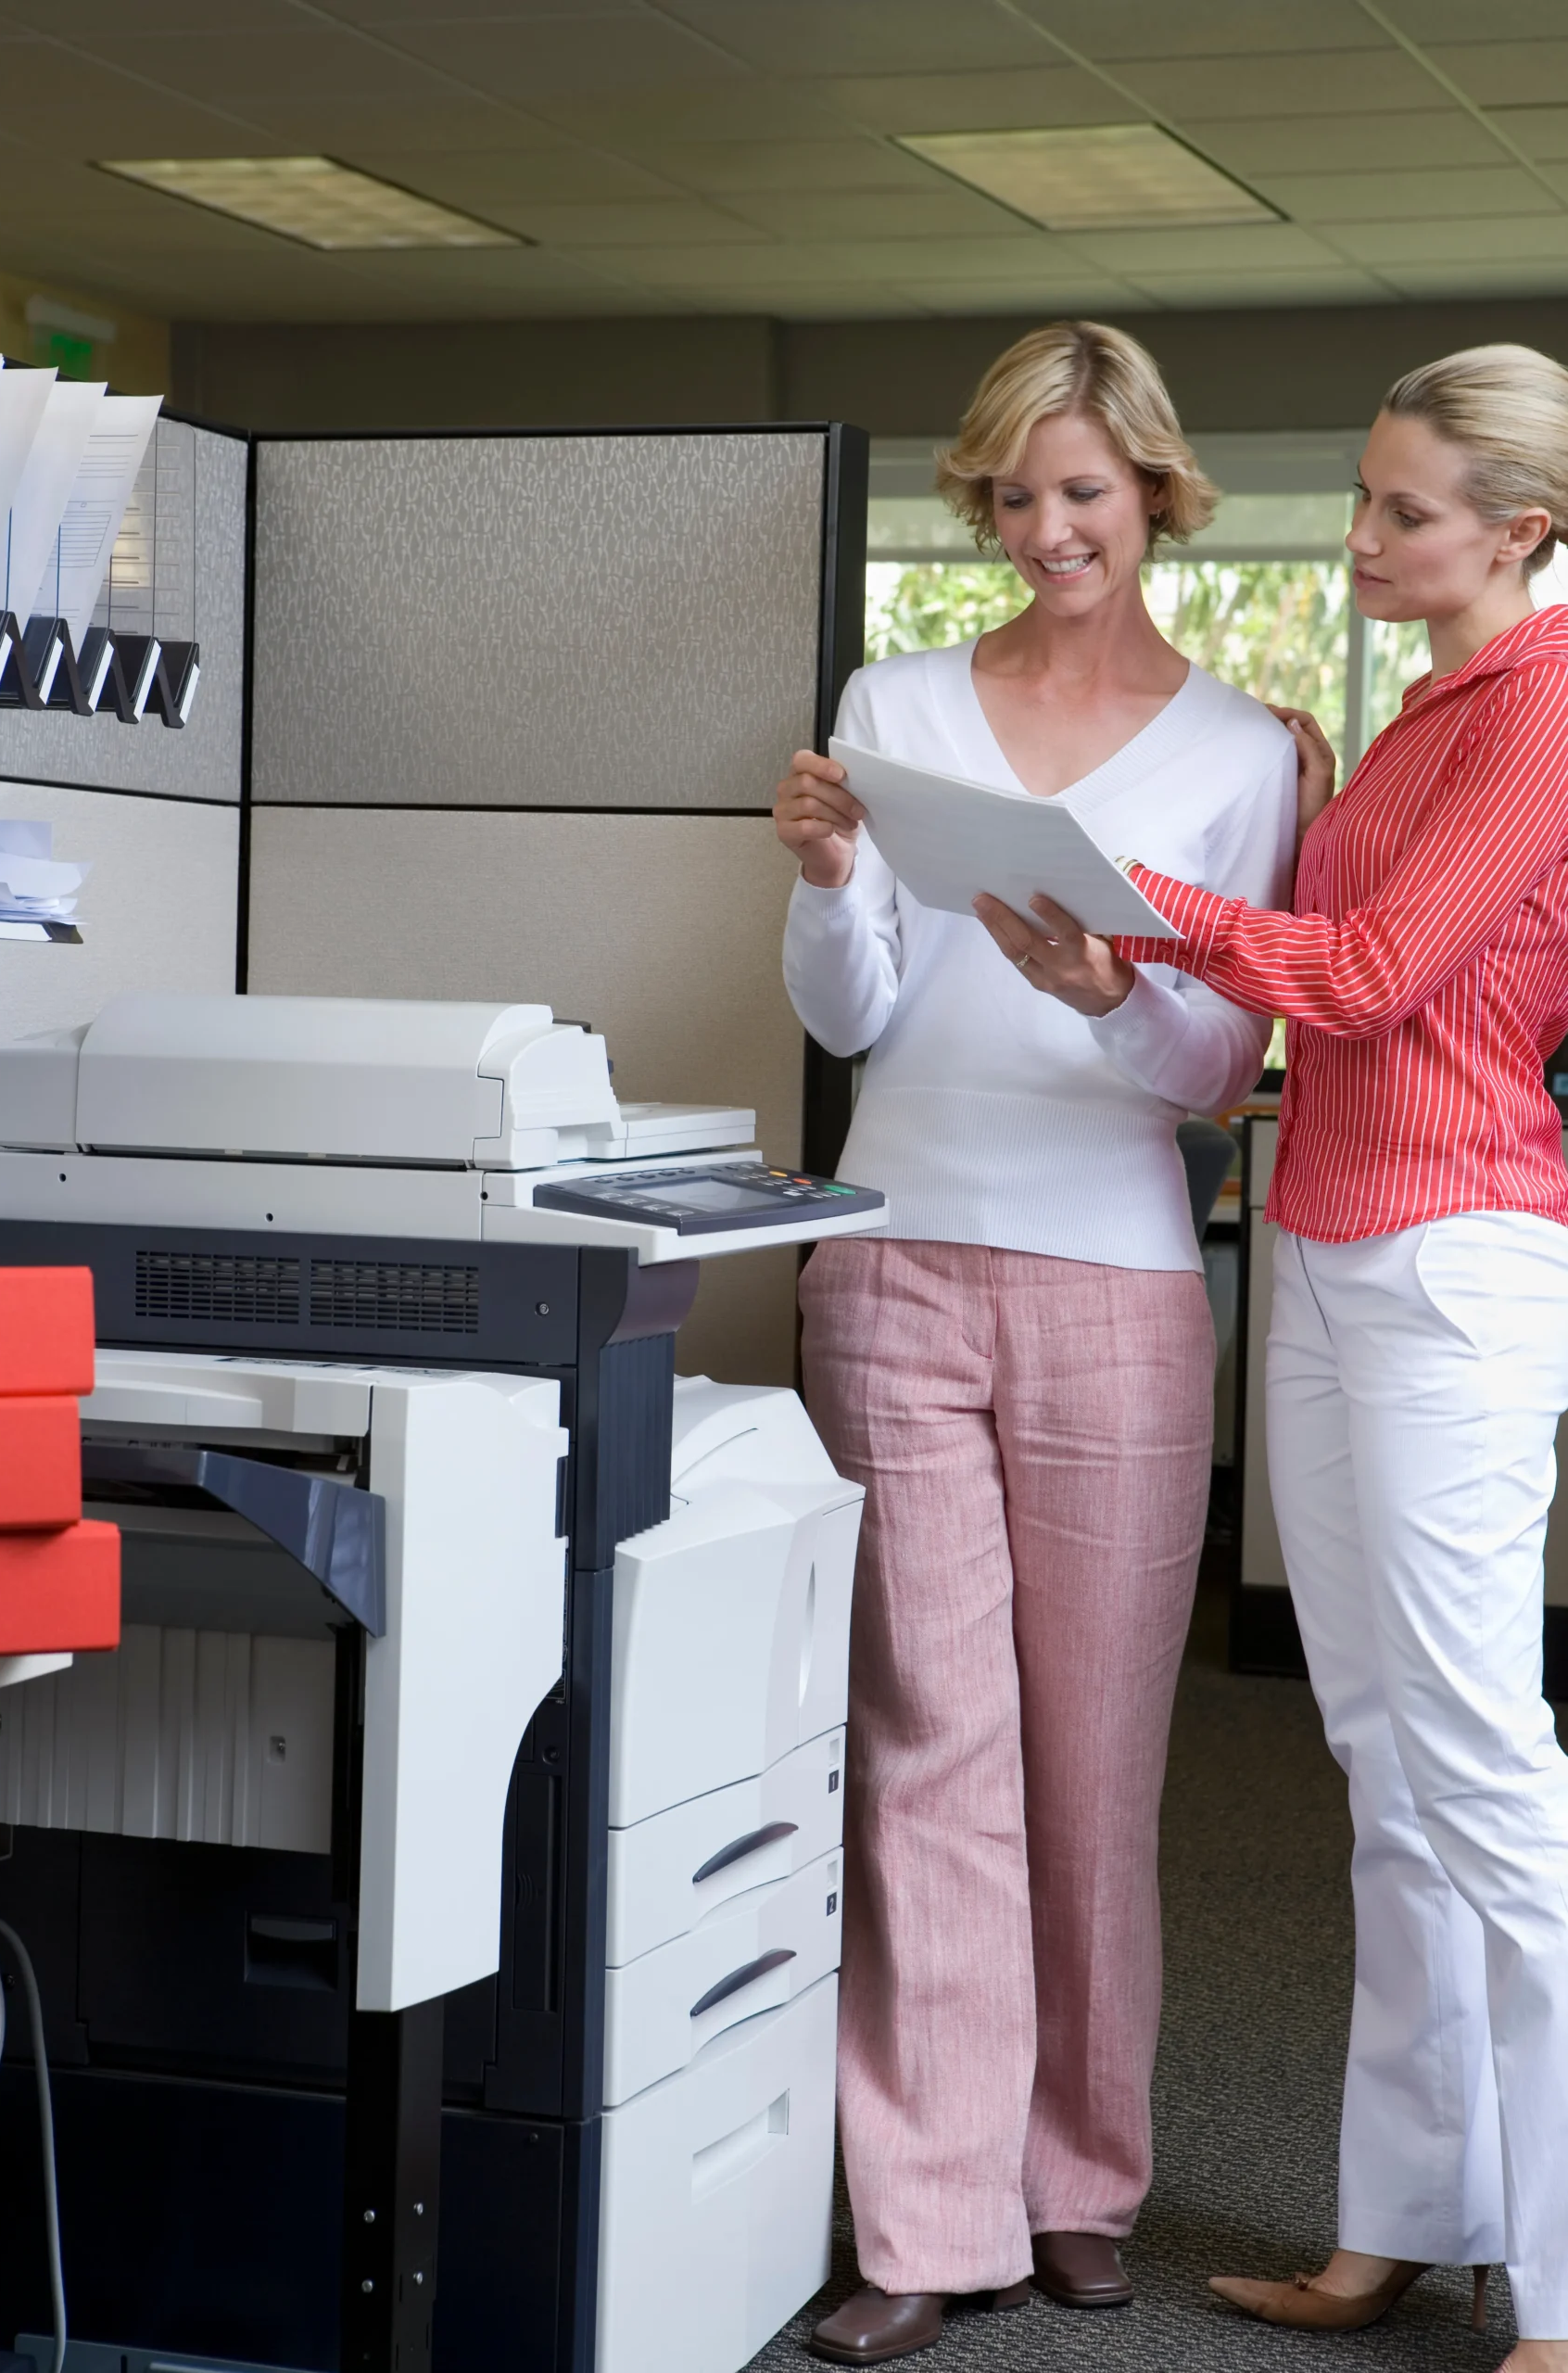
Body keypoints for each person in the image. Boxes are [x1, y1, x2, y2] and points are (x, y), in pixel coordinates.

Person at [976, 343, 1568, 2373]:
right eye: (1369, 497)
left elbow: (1382, 977)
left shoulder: (1547, 707)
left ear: (1521, 527)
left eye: (1408, 510)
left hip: (1455, 1263)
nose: (1370, 534)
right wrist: (1293, 823)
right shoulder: (1415, 722)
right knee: (1381, 1768)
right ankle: (1403, 2221)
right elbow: (1336, 954)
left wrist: (1131, 900)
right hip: (1318, 1246)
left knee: (1487, 1769)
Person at [774, 319, 1297, 2367]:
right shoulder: (898, 700)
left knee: (1095, 1753)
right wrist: (831, 879)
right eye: (1011, 493)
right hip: (892, 1258)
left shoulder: (1246, 752)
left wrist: (1101, 985)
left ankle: (1078, 2177)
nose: (1047, 526)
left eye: (1082, 488)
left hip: (1116, 1284)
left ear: (1153, 492)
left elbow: (1209, 1066)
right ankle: (925, 2208)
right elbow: (846, 1013)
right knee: (927, 1747)